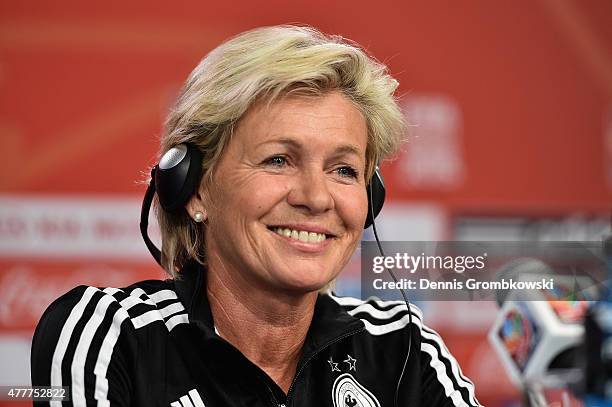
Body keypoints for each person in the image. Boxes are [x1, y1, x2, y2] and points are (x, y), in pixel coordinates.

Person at [31, 25, 481, 407]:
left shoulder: (402, 348)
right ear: (193, 188)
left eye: (343, 170)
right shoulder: (109, 334)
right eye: (278, 160)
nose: (316, 198)